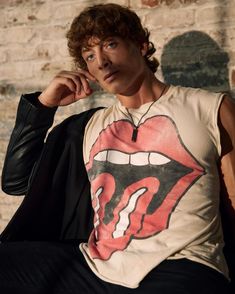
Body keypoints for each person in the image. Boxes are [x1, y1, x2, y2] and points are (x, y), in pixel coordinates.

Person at [0, 3, 234, 294]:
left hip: (184, 267)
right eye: (89, 55)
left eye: (110, 44)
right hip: (96, 268)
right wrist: (43, 106)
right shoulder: (86, 127)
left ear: (141, 45)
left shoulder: (209, 107)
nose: (101, 61)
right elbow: (16, 182)